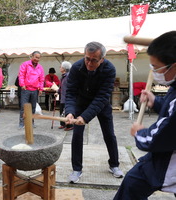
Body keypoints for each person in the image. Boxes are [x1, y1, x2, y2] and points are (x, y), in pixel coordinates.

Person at [114, 31, 176, 199]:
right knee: (133, 183)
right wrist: (155, 101)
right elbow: (170, 108)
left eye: (156, 68)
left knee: (133, 184)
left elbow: (159, 138)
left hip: (169, 159)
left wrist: (140, 133)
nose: (154, 72)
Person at [65, 41, 124, 183]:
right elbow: (71, 93)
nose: (89, 63)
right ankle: (77, 169)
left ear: (102, 59)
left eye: (94, 60)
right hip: (81, 102)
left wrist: (85, 117)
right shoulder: (76, 67)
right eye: (87, 58)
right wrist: (70, 112)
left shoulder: (109, 69)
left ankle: (114, 165)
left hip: (101, 103)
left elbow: (102, 96)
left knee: (109, 134)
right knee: (77, 135)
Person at [18, 51, 45, 129]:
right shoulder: (25, 64)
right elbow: (21, 75)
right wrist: (22, 84)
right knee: (24, 107)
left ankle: (31, 122)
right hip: (26, 89)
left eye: (39, 58)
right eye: (36, 57)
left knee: (33, 107)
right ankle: (22, 123)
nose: (37, 59)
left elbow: (41, 79)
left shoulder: (40, 67)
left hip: (35, 90)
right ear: (32, 56)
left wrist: (41, 89)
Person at [55, 61, 73, 131]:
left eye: (61, 67)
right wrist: (58, 92)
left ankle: (69, 125)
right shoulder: (63, 76)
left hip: (67, 97)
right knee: (62, 111)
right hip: (62, 97)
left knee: (67, 111)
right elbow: (61, 87)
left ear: (65, 68)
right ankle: (63, 124)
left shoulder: (68, 76)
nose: (60, 68)